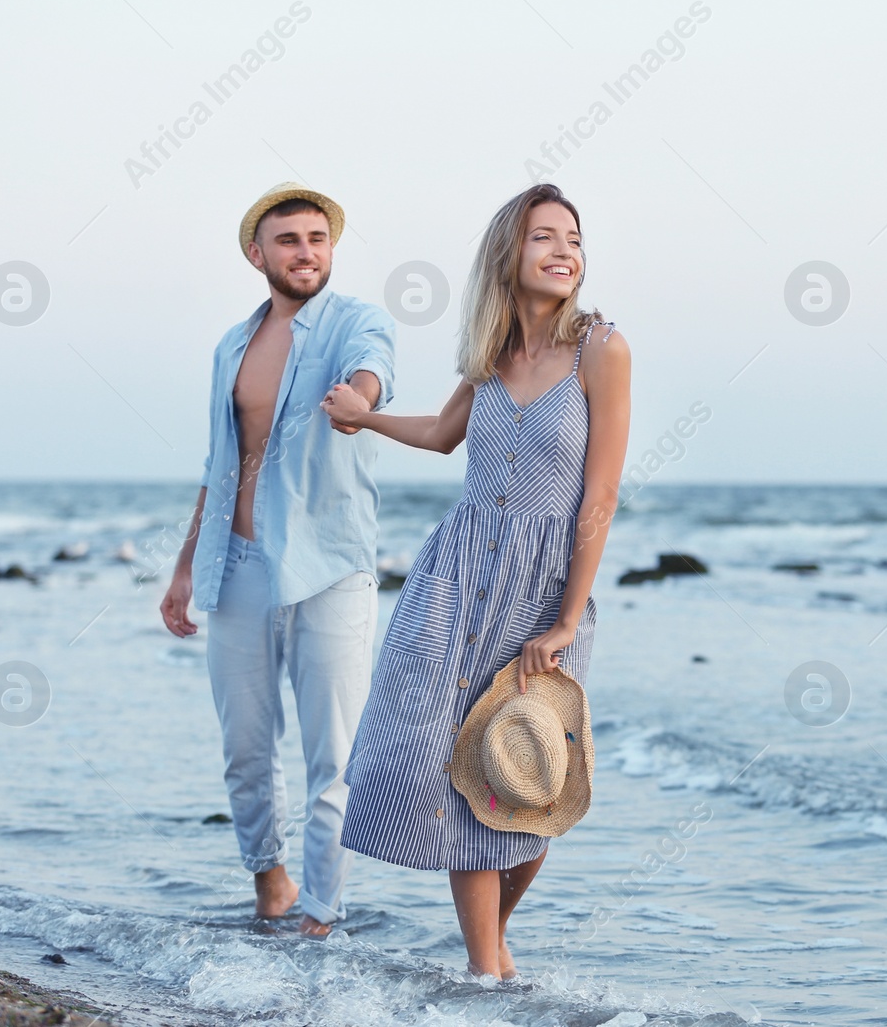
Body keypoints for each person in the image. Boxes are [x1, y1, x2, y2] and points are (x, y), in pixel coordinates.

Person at [322, 182, 630, 979]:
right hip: (452, 585)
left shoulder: (602, 348)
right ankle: (486, 974)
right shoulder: (492, 355)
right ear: (509, 253)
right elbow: (439, 432)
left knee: (526, 783)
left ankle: (490, 957)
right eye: (544, 237)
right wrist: (365, 418)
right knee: (455, 771)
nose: (565, 250)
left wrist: (565, 622)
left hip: (542, 595)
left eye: (574, 237)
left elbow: (599, 497)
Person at [160, 182, 396, 937]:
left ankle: (323, 916)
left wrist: (361, 401)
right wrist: (186, 564)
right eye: (289, 240)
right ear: (257, 253)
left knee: (335, 758)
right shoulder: (232, 344)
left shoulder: (356, 321)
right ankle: (271, 885)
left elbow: (372, 368)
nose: (306, 253)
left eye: (318, 239)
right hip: (240, 567)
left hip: (330, 567)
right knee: (246, 750)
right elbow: (219, 461)